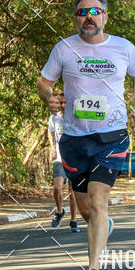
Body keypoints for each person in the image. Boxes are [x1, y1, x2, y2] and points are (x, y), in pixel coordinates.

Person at [37, 0, 135, 270]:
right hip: (75, 139)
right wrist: (51, 98)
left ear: (105, 17)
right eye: (82, 12)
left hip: (112, 136)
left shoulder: (123, 47)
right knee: (87, 210)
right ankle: (103, 226)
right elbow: (44, 82)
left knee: (99, 202)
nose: (89, 16)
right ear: (75, 18)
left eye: (95, 11)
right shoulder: (64, 48)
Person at [48, 95, 79, 231]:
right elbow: (50, 132)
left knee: (73, 192)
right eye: (61, 102)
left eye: (66, 102)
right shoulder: (54, 118)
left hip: (74, 159)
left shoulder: (76, 118)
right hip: (59, 158)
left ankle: (73, 221)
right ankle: (60, 211)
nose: (63, 105)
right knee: (57, 188)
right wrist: (52, 147)